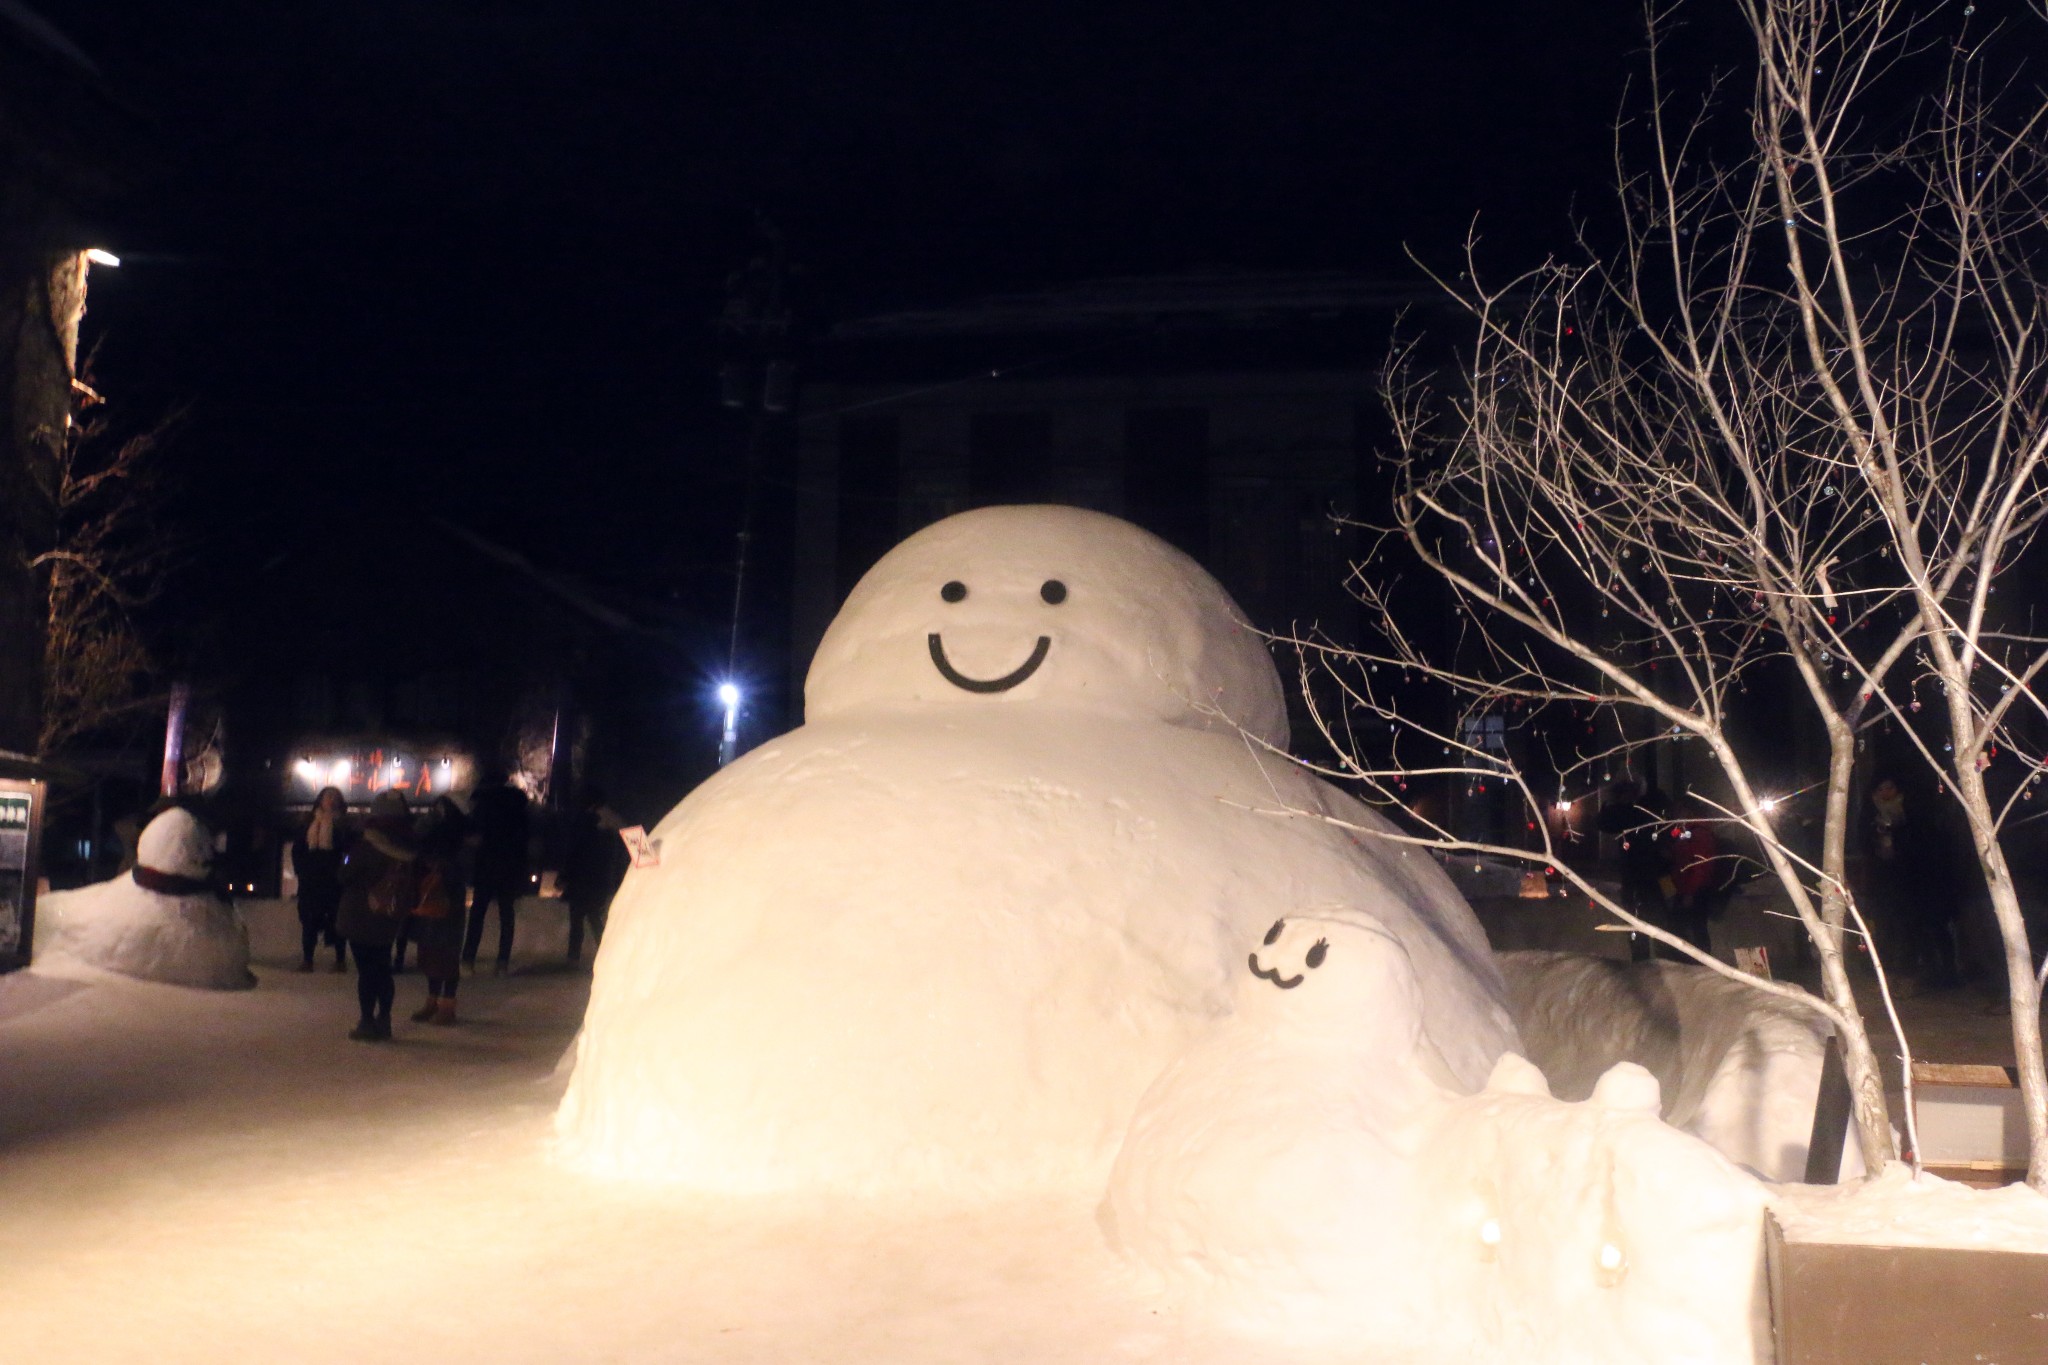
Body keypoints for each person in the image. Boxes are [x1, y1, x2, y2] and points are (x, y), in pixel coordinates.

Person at [334, 790, 419, 1041]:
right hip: (390, 917)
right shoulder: (408, 846)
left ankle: (367, 1021)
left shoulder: (367, 846)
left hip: (360, 916)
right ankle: (385, 1018)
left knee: (366, 971)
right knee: (383, 968)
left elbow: (344, 876)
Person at [1867, 776, 1958, 989]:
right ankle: (1916, 972)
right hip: (1893, 881)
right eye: (1881, 788)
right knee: (1904, 928)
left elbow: (1923, 844)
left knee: (1931, 927)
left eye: (1889, 787)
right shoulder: (1874, 816)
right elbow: (1873, 850)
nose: (1886, 793)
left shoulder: (1913, 815)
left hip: (1922, 878)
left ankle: (1942, 974)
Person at [406, 795, 469, 1024]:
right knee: (430, 951)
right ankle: (432, 1000)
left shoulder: (459, 833)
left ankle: (447, 1004)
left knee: (447, 953)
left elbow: (462, 865)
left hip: (448, 897)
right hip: (430, 893)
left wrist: (442, 867)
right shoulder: (431, 828)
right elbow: (416, 838)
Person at [462, 772, 530, 975]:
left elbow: (474, 836)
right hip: (510, 866)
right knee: (506, 914)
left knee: (478, 913)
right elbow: (525, 838)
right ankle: (502, 962)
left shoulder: (483, 805)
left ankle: (468, 959)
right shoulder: (517, 806)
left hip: (486, 864)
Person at [1599, 780, 1670, 962]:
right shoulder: (1647, 810)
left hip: (1640, 874)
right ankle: (1661, 957)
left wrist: (1613, 803)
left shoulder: (1630, 812)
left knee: (1640, 920)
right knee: (1659, 918)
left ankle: (1646, 958)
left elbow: (1603, 822)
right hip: (1657, 873)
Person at [560, 785, 628, 967]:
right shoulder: (612, 822)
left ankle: (573, 957)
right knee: (594, 917)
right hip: (600, 878)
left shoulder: (582, 822)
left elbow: (574, 851)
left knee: (578, 919)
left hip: (581, 879)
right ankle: (606, 953)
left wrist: (565, 875)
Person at [290, 787, 353, 972]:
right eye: (327, 797)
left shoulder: (343, 824)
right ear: (320, 800)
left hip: (335, 880)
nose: (331, 801)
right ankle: (307, 959)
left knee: (337, 920)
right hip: (311, 880)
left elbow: (349, 851)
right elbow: (298, 849)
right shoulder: (309, 822)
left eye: (335, 798)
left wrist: (344, 869)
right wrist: (301, 870)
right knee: (309, 920)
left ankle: (340, 959)